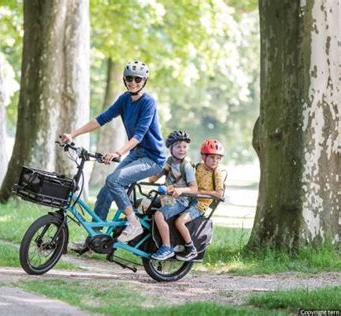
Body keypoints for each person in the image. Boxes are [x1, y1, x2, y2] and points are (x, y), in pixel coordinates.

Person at [60, 60, 166, 243]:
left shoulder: (148, 102)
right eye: (129, 78)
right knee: (105, 192)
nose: (133, 82)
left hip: (153, 158)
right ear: (124, 80)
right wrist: (73, 134)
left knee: (113, 180)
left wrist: (118, 153)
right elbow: (102, 119)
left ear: (144, 81)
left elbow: (139, 135)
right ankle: (95, 240)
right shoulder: (125, 99)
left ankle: (134, 224)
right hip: (137, 153)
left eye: (138, 79)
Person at [149, 131, 198, 260]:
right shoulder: (170, 161)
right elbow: (154, 177)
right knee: (143, 204)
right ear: (170, 148)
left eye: (184, 146)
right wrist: (152, 174)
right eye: (178, 146)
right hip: (167, 198)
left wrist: (181, 190)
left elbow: (194, 189)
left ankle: (167, 247)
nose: (182, 149)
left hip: (181, 201)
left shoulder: (186, 166)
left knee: (159, 215)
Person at [174, 139, 225, 261]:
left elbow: (219, 193)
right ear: (203, 156)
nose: (215, 161)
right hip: (188, 199)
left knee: (180, 222)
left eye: (218, 158)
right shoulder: (198, 167)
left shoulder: (217, 173)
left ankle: (191, 249)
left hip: (199, 205)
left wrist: (201, 192)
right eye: (212, 157)